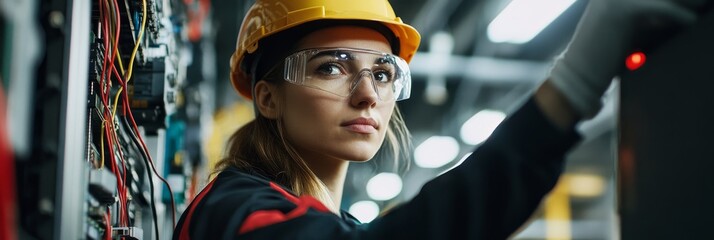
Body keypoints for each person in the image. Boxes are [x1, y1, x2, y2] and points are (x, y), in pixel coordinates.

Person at [173, 0, 700, 239]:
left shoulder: (334, 225)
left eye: (382, 73)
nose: (366, 95)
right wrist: (574, 83)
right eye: (331, 67)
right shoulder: (234, 211)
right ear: (267, 97)